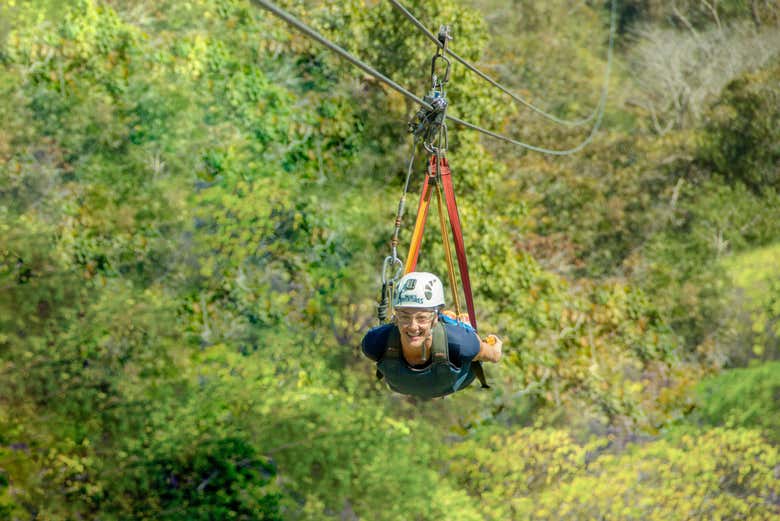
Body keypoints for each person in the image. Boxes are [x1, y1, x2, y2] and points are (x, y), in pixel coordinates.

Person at [361, 272, 503, 399]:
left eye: (421, 318)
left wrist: (494, 349)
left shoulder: (461, 343)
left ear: (435, 318)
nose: (413, 326)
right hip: (439, 371)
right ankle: (447, 319)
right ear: (396, 317)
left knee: (465, 343)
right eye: (404, 317)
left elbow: (494, 355)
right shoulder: (375, 343)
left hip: (457, 368)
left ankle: (454, 322)